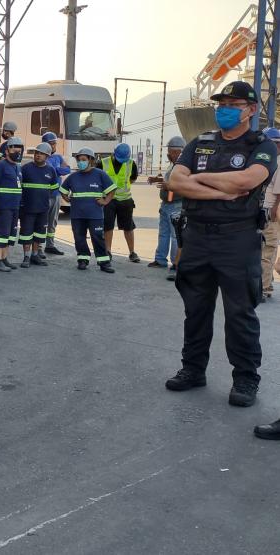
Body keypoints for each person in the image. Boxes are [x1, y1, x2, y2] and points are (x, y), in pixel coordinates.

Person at [163, 80, 277, 407]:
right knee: (195, 309)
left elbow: (246, 180)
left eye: (233, 105)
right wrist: (220, 190)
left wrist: (197, 179)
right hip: (197, 236)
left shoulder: (261, 146)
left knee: (240, 312)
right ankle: (192, 369)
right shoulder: (200, 142)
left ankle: (245, 378)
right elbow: (175, 181)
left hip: (237, 239)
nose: (225, 110)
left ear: (251, 110)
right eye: (222, 104)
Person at [59, 147, 116, 273]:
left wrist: (105, 201)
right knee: (79, 238)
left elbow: (112, 189)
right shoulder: (73, 177)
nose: (80, 162)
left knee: (97, 238)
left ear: (91, 160)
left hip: (95, 215)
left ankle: (104, 262)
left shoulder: (100, 174)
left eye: (83, 160)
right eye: (79, 160)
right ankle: (83, 259)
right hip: (77, 215)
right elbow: (63, 190)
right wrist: (67, 199)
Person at [147, 136, 187, 281]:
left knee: (175, 235)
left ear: (179, 152)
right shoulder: (173, 165)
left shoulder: (184, 167)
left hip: (176, 205)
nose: (168, 154)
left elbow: (183, 186)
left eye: (171, 151)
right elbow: (169, 181)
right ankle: (160, 260)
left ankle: (175, 263)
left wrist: (168, 186)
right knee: (163, 233)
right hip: (166, 204)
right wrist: (157, 180)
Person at [18, 142, 58, 268]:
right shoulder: (25, 169)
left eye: (41, 154)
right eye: (37, 153)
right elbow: (19, 187)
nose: (38, 155)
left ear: (47, 157)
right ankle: (26, 257)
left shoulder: (51, 170)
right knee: (27, 233)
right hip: (27, 208)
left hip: (43, 209)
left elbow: (54, 188)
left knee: (39, 234)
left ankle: (35, 255)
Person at [98, 143, 140, 262]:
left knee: (128, 227)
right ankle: (108, 251)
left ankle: (132, 252)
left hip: (125, 200)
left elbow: (133, 178)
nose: (122, 161)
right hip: (108, 200)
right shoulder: (102, 163)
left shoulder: (131, 163)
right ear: (113, 154)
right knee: (108, 226)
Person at [0, 136, 24, 272]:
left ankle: (4, 258)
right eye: (14, 148)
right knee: (2, 233)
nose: (17, 151)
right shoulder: (1, 166)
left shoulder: (18, 168)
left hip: (14, 206)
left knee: (10, 234)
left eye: (19, 149)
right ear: (7, 151)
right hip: (3, 206)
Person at [41, 132, 71, 257]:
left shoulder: (58, 157)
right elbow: (51, 171)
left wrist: (57, 169)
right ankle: (38, 247)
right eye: (51, 143)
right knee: (42, 222)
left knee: (53, 221)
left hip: (56, 194)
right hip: (44, 195)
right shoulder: (42, 157)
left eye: (54, 143)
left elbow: (67, 169)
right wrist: (58, 170)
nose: (54, 146)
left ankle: (50, 245)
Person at [259, 127, 280, 301]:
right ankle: (264, 286)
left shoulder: (266, 161)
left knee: (264, 251)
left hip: (265, 211)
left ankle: (266, 284)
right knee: (268, 250)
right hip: (270, 212)